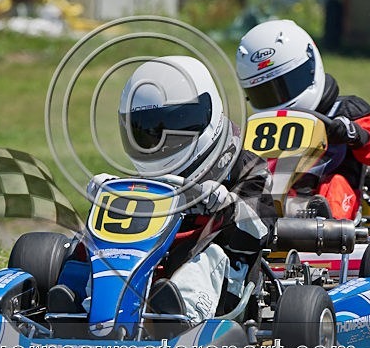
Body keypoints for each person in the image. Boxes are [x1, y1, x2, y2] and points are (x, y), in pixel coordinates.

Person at [48, 55, 275, 326]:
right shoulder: (148, 178)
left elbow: (263, 226)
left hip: (221, 274)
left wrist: (228, 204)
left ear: (206, 115)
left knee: (208, 257)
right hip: (150, 257)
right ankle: (83, 310)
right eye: (148, 130)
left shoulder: (246, 166)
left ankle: (181, 316)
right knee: (91, 247)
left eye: (175, 125)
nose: (160, 141)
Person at [235, 19, 370, 220]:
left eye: (287, 84)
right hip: (278, 191)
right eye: (266, 92)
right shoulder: (260, 125)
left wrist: (355, 135)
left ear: (310, 65)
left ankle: (324, 223)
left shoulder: (347, 110)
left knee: (335, 184)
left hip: (332, 192)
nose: (280, 99)